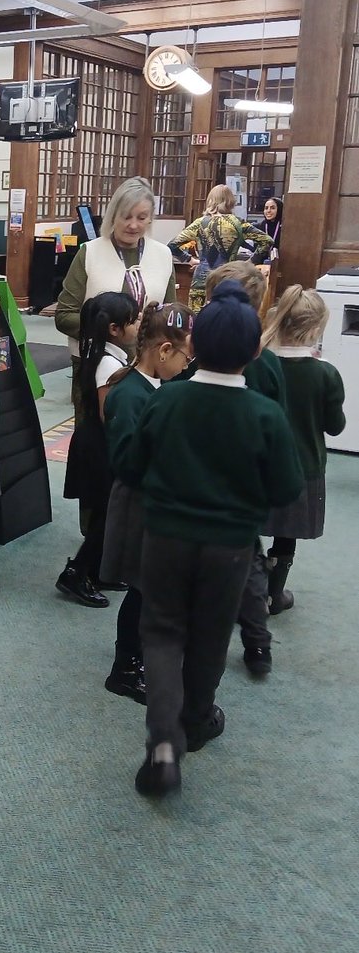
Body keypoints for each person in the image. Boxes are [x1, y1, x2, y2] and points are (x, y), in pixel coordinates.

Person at [119, 281, 303, 797]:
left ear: (194, 346)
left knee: (160, 633)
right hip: (230, 547)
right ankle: (197, 719)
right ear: (254, 351)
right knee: (209, 635)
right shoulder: (266, 415)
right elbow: (287, 488)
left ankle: (161, 744)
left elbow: (131, 466)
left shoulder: (168, 399)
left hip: (167, 537)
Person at [100, 301, 193, 704]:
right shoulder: (128, 395)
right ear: (165, 351)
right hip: (139, 503)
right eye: (188, 355)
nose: (190, 364)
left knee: (153, 589)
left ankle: (143, 655)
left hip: (159, 502)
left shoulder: (164, 387)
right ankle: (124, 670)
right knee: (140, 590)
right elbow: (125, 462)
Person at [204, 261, 285, 677]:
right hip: (241, 492)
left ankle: (253, 643)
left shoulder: (199, 353)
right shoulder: (267, 363)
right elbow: (278, 423)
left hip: (201, 485)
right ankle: (257, 645)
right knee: (248, 565)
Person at [55, 177, 177, 419]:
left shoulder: (162, 255)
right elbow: (64, 316)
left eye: (141, 218)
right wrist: (109, 330)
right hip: (95, 363)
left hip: (148, 365)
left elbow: (169, 314)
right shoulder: (90, 253)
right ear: (113, 216)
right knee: (93, 440)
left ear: (151, 218)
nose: (133, 225)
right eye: (126, 216)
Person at [261, 285, 346, 616]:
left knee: (248, 526)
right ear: (315, 329)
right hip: (303, 465)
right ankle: (274, 594)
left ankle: (245, 587)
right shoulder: (325, 373)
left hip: (260, 463)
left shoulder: (262, 363)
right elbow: (334, 426)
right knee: (286, 535)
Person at [56, 292, 139, 609]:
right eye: (133, 320)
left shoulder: (108, 352)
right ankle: (75, 573)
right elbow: (109, 413)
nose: (138, 324)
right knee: (107, 513)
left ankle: (99, 571)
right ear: (115, 329)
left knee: (109, 511)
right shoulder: (107, 362)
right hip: (99, 444)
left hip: (99, 441)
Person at [168, 185, 274, 313]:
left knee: (196, 318)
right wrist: (249, 263)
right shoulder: (238, 223)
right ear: (230, 201)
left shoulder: (200, 223)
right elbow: (267, 241)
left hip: (202, 279)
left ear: (210, 201)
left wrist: (189, 259)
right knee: (225, 316)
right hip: (229, 277)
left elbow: (172, 245)